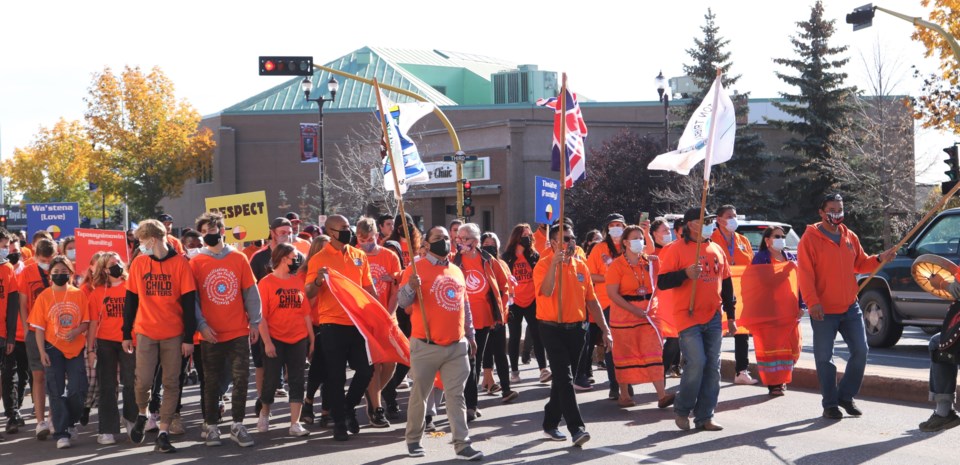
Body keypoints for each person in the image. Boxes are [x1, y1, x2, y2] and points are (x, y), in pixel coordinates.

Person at [797, 193, 894, 420]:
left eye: (840, 209)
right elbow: (805, 275)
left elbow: (860, 264)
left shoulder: (849, 236)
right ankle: (830, 404)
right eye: (832, 210)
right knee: (824, 359)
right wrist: (813, 303)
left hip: (850, 307)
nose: (837, 214)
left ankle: (846, 396)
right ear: (821, 213)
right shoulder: (809, 240)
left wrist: (880, 259)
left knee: (861, 351)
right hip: (823, 310)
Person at [398, 225, 483, 461]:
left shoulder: (456, 270)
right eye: (438, 238)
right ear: (426, 243)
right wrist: (409, 287)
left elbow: (464, 305)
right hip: (426, 345)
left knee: (457, 396)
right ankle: (414, 439)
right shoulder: (414, 269)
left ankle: (462, 444)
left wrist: (471, 335)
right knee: (420, 395)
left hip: (456, 345)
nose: (444, 242)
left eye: (447, 238)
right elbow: (403, 302)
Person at [123, 219, 198, 453]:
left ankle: (163, 432)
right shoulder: (138, 263)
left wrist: (188, 338)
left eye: (141, 241)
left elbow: (188, 304)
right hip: (146, 331)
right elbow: (131, 300)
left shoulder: (180, 264)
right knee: (143, 381)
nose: (139, 245)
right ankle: (143, 414)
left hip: (174, 334)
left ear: (153, 239)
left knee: (171, 383)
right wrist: (126, 332)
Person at [534, 223, 612, 447]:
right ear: (554, 242)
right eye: (565, 238)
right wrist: (554, 267)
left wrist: (606, 330)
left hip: (577, 329)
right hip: (551, 328)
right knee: (565, 379)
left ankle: (550, 422)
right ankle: (577, 429)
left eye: (572, 238)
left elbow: (592, 301)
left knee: (561, 381)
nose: (570, 242)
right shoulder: (543, 265)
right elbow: (546, 291)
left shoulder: (581, 266)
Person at [658, 208, 735, 431]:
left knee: (713, 367)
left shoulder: (717, 248)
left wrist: (731, 316)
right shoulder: (675, 250)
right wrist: (685, 274)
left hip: (713, 316)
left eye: (711, 221)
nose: (711, 224)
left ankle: (705, 416)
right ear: (691, 224)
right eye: (707, 220)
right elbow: (662, 282)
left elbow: (728, 284)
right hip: (687, 315)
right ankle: (682, 409)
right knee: (697, 363)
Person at [190, 212, 261, 447]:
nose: (207, 235)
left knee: (241, 379)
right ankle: (211, 426)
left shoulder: (239, 258)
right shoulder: (196, 262)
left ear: (221, 230)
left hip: (238, 330)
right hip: (210, 333)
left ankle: (237, 425)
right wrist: (201, 325)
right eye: (203, 232)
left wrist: (255, 322)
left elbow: (251, 291)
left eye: (211, 230)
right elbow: (194, 300)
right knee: (211, 381)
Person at [304, 215, 376, 442]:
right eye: (344, 227)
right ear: (331, 232)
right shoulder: (319, 259)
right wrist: (318, 281)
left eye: (349, 226)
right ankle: (340, 424)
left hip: (357, 323)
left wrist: (378, 317)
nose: (349, 230)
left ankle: (347, 408)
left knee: (366, 370)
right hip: (332, 325)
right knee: (335, 377)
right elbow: (308, 292)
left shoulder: (359, 255)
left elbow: (368, 289)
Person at [605, 225, 675, 409]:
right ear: (626, 242)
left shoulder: (650, 263)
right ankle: (625, 394)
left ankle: (662, 395)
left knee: (654, 354)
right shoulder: (616, 265)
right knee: (624, 355)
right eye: (635, 238)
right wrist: (633, 309)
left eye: (641, 238)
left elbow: (662, 279)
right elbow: (613, 294)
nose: (640, 242)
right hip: (624, 316)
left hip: (649, 315)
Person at [454, 223, 517, 411]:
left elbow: (503, 286)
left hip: (484, 320)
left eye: (465, 239)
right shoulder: (453, 261)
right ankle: (467, 403)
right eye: (459, 238)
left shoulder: (488, 260)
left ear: (474, 241)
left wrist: (499, 313)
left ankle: (471, 405)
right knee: (466, 363)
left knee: (476, 360)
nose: (461, 242)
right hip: (460, 321)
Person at [29, 256, 89, 449]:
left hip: (75, 349)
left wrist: (77, 331)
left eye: (64, 272)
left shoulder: (78, 294)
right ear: (50, 275)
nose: (60, 275)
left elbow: (86, 322)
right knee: (56, 391)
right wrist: (41, 352)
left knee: (78, 389)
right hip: (51, 348)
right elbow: (38, 328)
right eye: (56, 273)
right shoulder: (44, 296)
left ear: (71, 274)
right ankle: (61, 433)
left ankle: (71, 422)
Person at [257, 243, 313, 437]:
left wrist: (311, 339)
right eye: (294, 257)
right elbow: (261, 316)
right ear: (283, 259)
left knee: (297, 380)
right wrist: (267, 342)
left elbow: (306, 313)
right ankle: (264, 412)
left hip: (298, 338)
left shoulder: (297, 281)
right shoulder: (265, 283)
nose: (297, 261)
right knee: (271, 380)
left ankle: (295, 423)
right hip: (275, 338)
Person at [355, 218, 401, 428]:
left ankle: (371, 392)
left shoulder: (389, 256)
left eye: (371, 238)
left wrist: (388, 314)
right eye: (362, 239)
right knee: (375, 364)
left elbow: (397, 288)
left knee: (391, 361)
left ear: (377, 236)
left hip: (387, 317)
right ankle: (377, 407)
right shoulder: (354, 255)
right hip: (365, 320)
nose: (366, 242)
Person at [86, 252, 135, 445]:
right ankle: (106, 429)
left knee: (131, 382)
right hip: (105, 342)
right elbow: (92, 323)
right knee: (107, 386)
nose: (117, 266)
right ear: (104, 270)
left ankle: (131, 420)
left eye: (118, 262)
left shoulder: (131, 287)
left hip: (129, 340)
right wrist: (90, 349)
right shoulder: (97, 292)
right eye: (111, 264)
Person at [749, 226, 804, 396]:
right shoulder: (760, 259)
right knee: (771, 349)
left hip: (790, 310)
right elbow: (763, 283)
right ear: (767, 240)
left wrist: (802, 305)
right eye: (777, 236)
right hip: (769, 311)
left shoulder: (790, 257)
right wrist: (785, 271)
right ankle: (774, 383)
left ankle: (782, 378)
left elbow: (799, 282)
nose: (781, 238)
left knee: (793, 346)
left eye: (783, 236)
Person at [712, 205, 758, 385]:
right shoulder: (711, 239)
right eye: (729, 216)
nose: (733, 219)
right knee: (716, 330)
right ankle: (710, 370)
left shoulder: (742, 240)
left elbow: (752, 264)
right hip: (717, 290)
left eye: (735, 215)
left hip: (740, 292)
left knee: (741, 331)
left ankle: (742, 371)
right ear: (719, 219)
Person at [502, 224, 549, 384]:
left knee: (538, 335)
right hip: (514, 301)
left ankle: (543, 369)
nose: (527, 238)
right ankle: (514, 372)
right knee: (514, 337)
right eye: (524, 234)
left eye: (529, 235)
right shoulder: (507, 257)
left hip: (532, 300)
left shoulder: (534, 255)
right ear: (517, 237)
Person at [19, 238, 56, 439]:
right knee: (38, 376)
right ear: (35, 256)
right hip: (35, 330)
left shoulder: (59, 269)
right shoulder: (27, 271)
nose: (47, 263)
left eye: (50, 259)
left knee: (55, 377)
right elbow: (23, 303)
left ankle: (52, 417)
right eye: (43, 259)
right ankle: (40, 421)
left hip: (56, 330)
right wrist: (26, 329)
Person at [299, 235, 331, 426]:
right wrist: (318, 282)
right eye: (326, 250)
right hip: (315, 325)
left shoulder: (336, 269)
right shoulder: (305, 273)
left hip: (335, 324)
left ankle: (327, 410)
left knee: (332, 371)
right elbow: (306, 304)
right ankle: (309, 402)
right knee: (318, 369)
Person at [652, 218, 681, 378]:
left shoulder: (674, 249)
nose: (668, 234)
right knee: (670, 337)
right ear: (655, 234)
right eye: (664, 231)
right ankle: (659, 370)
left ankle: (668, 368)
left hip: (673, 299)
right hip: (656, 301)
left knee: (675, 336)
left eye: (669, 231)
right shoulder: (651, 251)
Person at [0, 230, 21, 436]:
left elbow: (13, 304)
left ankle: (12, 416)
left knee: (8, 376)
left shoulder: (7, 269)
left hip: (3, 334)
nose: (5, 249)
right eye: (2, 245)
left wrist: (11, 336)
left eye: (6, 245)